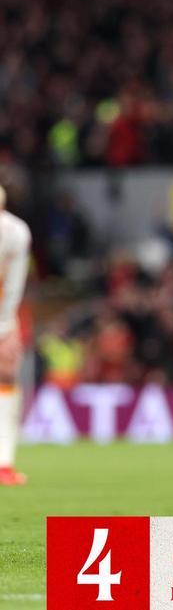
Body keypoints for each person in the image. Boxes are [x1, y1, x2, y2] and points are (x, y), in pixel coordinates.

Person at [0, 186, 31, 486]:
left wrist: (6, 326)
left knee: (6, 378)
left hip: (2, 315)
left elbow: (14, 284)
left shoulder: (15, 233)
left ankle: (4, 463)